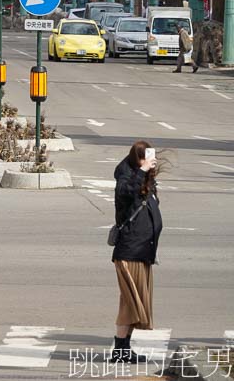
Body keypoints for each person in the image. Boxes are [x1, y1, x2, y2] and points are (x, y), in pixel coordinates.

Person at [110, 141, 162, 364]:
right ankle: (120, 351)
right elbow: (125, 192)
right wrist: (141, 171)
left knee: (133, 302)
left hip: (143, 251)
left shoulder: (144, 179)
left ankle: (124, 349)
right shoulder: (126, 177)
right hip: (129, 250)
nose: (149, 161)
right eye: (144, 158)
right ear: (136, 159)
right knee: (130, 303)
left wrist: (147, 173)